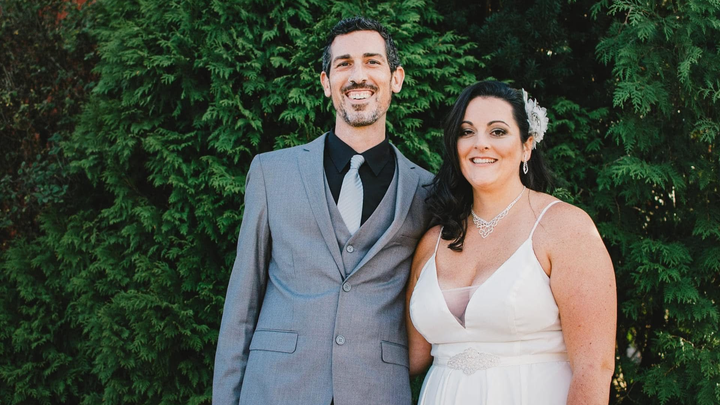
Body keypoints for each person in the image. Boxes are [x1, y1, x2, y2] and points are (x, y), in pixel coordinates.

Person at [212, 16, 434, 405]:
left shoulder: (426, 191)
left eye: (372, 61)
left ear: (396, 78)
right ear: (326, 82)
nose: (358, 75)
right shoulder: (271, 173)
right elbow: (241, 305)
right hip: (276, 389)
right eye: (344, 64)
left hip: (377, 392)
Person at [406, 81, 617, 404]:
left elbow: (594, 368)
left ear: (526, 146)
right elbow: (411, 357)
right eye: (467, 132)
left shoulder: (564, 228)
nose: (480, 144)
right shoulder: (432, 242)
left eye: (498, 132)